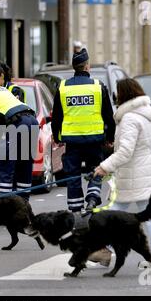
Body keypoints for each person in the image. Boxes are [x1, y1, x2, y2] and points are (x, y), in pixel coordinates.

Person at [94, 78, 151, 268]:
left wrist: (105, 166)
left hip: (134, 172)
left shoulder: (129, 118)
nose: (116, 97)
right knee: (139, 213)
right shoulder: (141, 115)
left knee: (119, 213)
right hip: (140, 170)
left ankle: (106, 250)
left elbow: (126, 151)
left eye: (118, 93)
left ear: (124, 94)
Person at [51, 48, 115, 228]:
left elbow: (57, 116)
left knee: (72, 176)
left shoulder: (63, 88)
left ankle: (76, 213)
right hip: (95, 140)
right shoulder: (98, 86)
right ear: (87, 66)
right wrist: (110, 137)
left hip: (72, 141)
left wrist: (57, 136)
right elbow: (108, 116)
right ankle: (93, 199)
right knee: (96, 171)